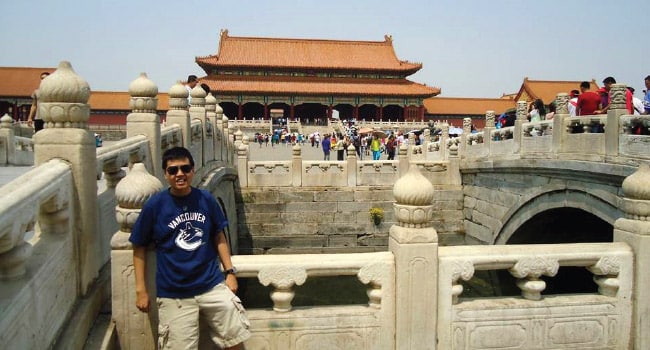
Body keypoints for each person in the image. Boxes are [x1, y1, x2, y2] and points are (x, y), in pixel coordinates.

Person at [129, 147, 250, 350]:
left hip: (211, 284)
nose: (180, 174)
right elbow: (139, 246)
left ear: (193, 170)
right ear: (165, 174)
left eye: (185, 168)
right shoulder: (155, 206)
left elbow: (218, 236)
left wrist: (230, 272)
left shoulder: (205, 199)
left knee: (234, 338)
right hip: (174, 293)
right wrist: (141, 290)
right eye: (173, 170)